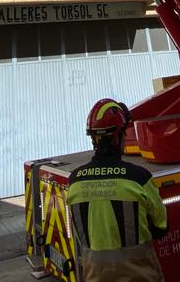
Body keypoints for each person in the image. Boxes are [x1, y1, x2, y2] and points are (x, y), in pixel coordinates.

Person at [66, 100, 167, 282]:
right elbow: (161, 227)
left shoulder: (74, 181)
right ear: (117, 137)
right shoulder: (139, 178)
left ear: (93, 138)